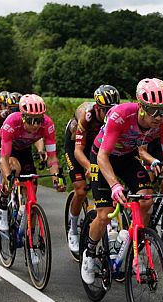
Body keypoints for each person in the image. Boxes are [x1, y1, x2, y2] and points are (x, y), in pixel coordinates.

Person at [80, 78, 163, 284]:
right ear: (141, 106)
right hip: (102, 156)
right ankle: (89, 253)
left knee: (146, 201)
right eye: (153, 110)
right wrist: (115, 185)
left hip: (127, 157)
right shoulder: (121, 114)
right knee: (105, 214)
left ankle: (130, 242)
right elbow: (102, 157)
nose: (159, 117)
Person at [0, 94, 63, 235]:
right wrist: (8, 177)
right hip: (6, 149)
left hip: (24, 150)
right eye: (31, 120)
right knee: (14, 169)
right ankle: (3, 201)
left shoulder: (48, 124)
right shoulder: (11, 122)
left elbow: (52, 157)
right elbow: (4, 159)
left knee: (32, 188)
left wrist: (56, 178)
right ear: (23, 117)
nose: (36, 125)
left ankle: (29, 233)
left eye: (39, 120)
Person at [63, 84, 120, 254]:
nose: (109, 114)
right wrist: (89, 167)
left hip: (97, 145)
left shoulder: (114, 117)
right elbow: (78, 151)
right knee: (80, 190)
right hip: (76, 144)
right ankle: (73, 228)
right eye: (105, 110)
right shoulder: (86, 116)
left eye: (113, 109)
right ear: (97, 107)